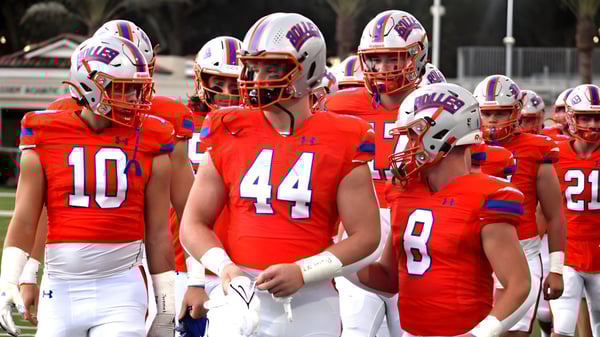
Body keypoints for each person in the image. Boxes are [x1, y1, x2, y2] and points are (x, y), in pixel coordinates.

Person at [180, 12, 381, 337]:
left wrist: (304, 271)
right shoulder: (227, 127)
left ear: (308, 69)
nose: (257, 78)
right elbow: (193, 222)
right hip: (237, 297)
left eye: (271, 67)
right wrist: (225, 268)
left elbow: (367, 235)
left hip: (308, 303)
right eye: (253, 67)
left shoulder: (344, 135)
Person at [0, 35, 176, 337]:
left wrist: (166, 307)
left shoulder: (152, 137)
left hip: (121, 290)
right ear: (90, 85)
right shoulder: (44, 132)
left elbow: (159, 233)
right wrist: (9, 281)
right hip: (61, 289)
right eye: (124, 89)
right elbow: (26, 218)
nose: (136, 100)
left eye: (138, 90)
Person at [355, 82, 534, 336]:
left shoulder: (487, 195)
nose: (406, 145)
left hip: (463, 330)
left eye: (413, 135)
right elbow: (387, 277)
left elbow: (518, 284)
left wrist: (479, 334)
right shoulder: (404, 192)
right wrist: (340, 262)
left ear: (442, 135)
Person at [323, 10, 430, 337]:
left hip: (418, 230)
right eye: (375, 59)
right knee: (355, 329)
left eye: (391, 59)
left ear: (417, 56)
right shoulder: (338, 106)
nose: (382, 68)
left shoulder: (436, 106)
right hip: (359, 227)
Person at [473, 74, 566, 337]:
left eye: (500, 113)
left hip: (522, 251)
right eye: (487, 113)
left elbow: (554, 214)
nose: (492, 121)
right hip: (475, 255)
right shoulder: (465, 147)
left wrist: (556, 269)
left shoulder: (537, 150)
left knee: (515, 332)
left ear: (515, 112)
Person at [549, 84, 600, 337]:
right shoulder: (554, 153)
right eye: (585, 117)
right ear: (571, 117)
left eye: (597, 118)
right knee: (562, 329)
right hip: (568, 252)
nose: (592, 124)